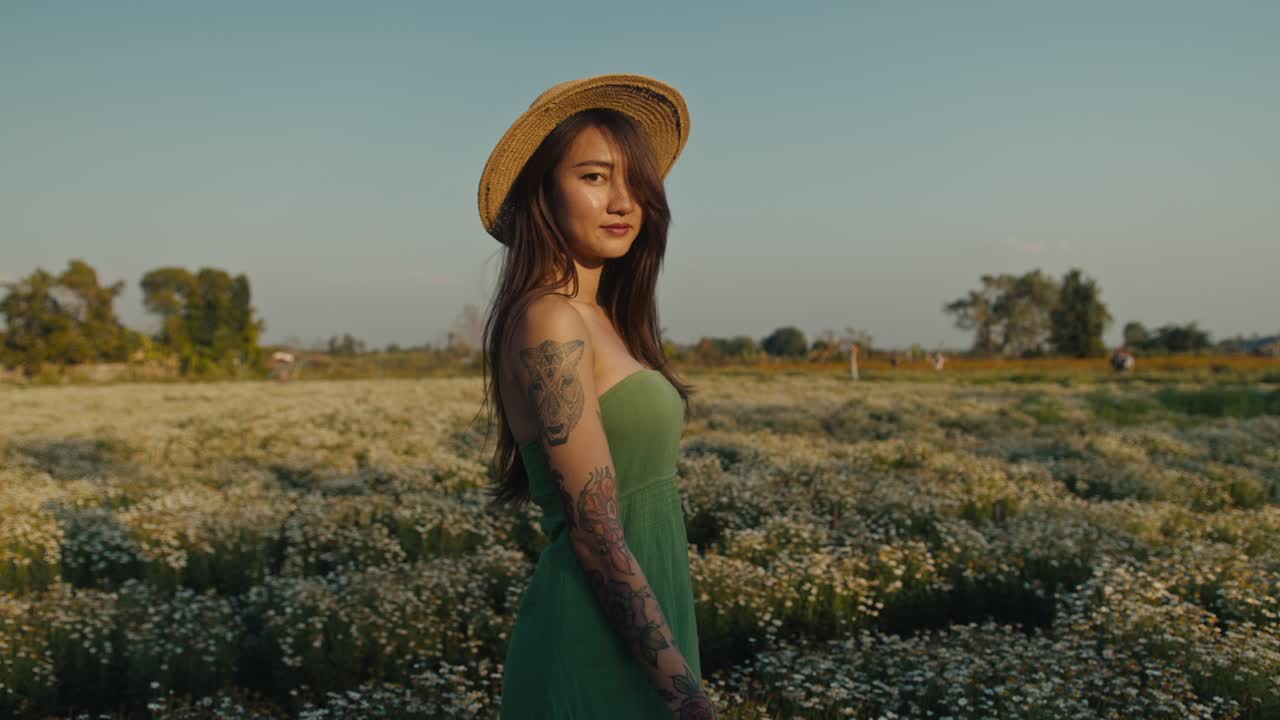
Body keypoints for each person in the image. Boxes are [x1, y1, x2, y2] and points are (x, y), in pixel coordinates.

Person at [475, 74, 715, 719]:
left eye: (635, 181)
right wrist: (685, 695)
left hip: (644, 633)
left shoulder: (602, 318)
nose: (622, 201)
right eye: (593, 176)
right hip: (589, 645)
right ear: (542, 190)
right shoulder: (549, 319)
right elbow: (595, 534)